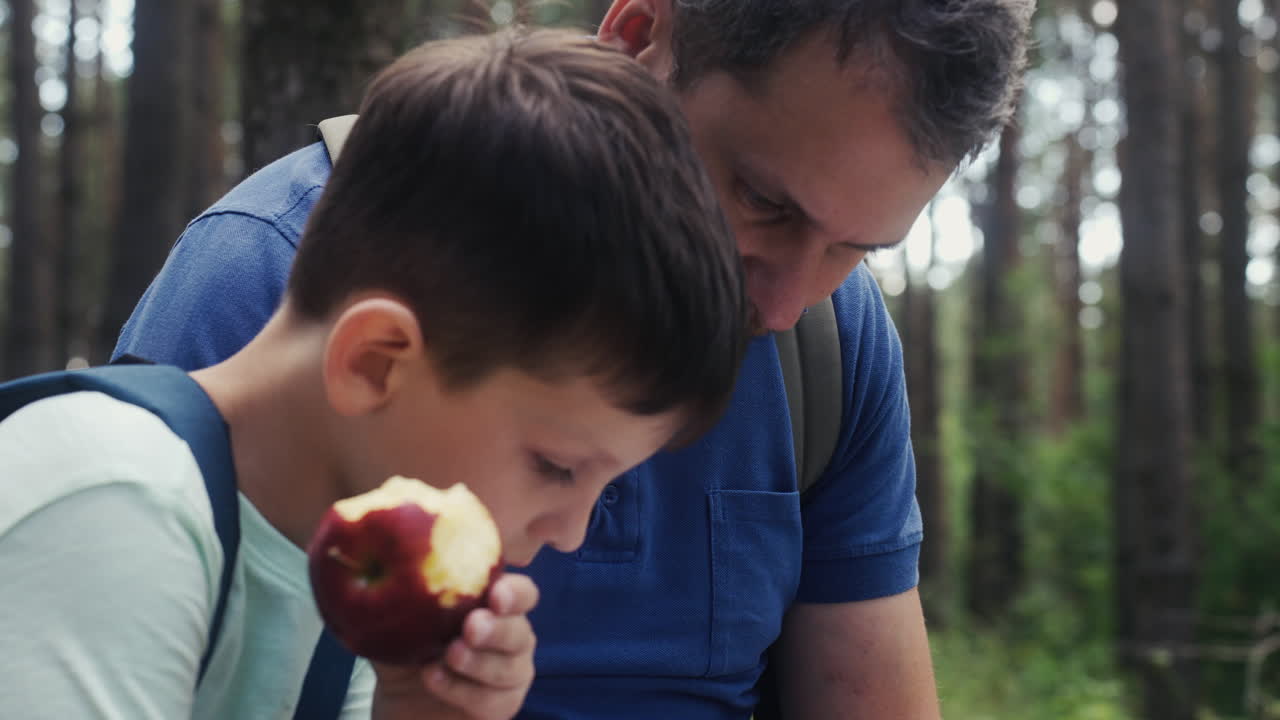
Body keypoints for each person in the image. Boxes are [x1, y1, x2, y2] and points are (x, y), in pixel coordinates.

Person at [114, 1, 1035, 717]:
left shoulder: (829, 350)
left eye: (854, 250)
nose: (783, 304)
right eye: (764, 203)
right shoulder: (272, 285)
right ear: (639, 36)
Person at [0, 28, 748, 720]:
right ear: (374, 361)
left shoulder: (339, 572)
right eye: (556, 466)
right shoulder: (117, 505)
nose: (570, 532)